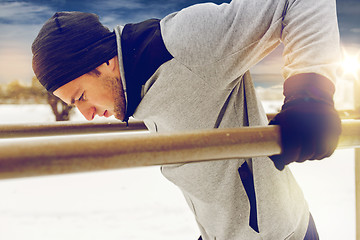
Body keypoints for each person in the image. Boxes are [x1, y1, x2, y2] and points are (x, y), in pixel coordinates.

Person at [31, 0, 342, 239]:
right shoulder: (134, 89)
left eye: (81, 97)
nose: (87, 115)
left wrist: (310, 93)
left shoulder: (185, 44)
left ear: (106, 62)